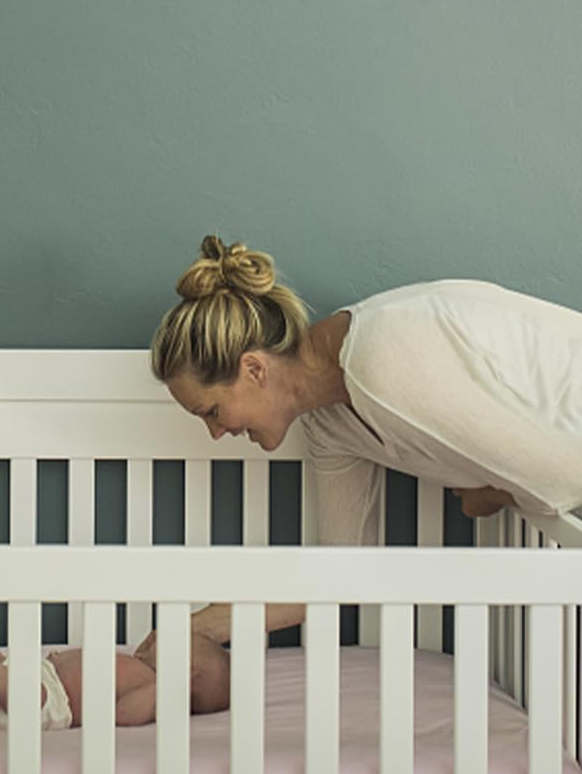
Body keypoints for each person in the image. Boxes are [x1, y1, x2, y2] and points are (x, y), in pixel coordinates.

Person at [135, 233, 582, 659]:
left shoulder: (381, 357)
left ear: (253, 370)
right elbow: (343, 573)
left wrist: (489, 494)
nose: (216, 433)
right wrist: (201, 625)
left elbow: (568, 473)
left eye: (212, 412)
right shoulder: (328, 421)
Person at [0, 632, 230, 729]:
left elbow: (123, 715)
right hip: (39, 673)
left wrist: (164, 688)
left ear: (186, 676)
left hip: (46, 702)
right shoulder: (143, 667)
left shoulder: (153, 690)